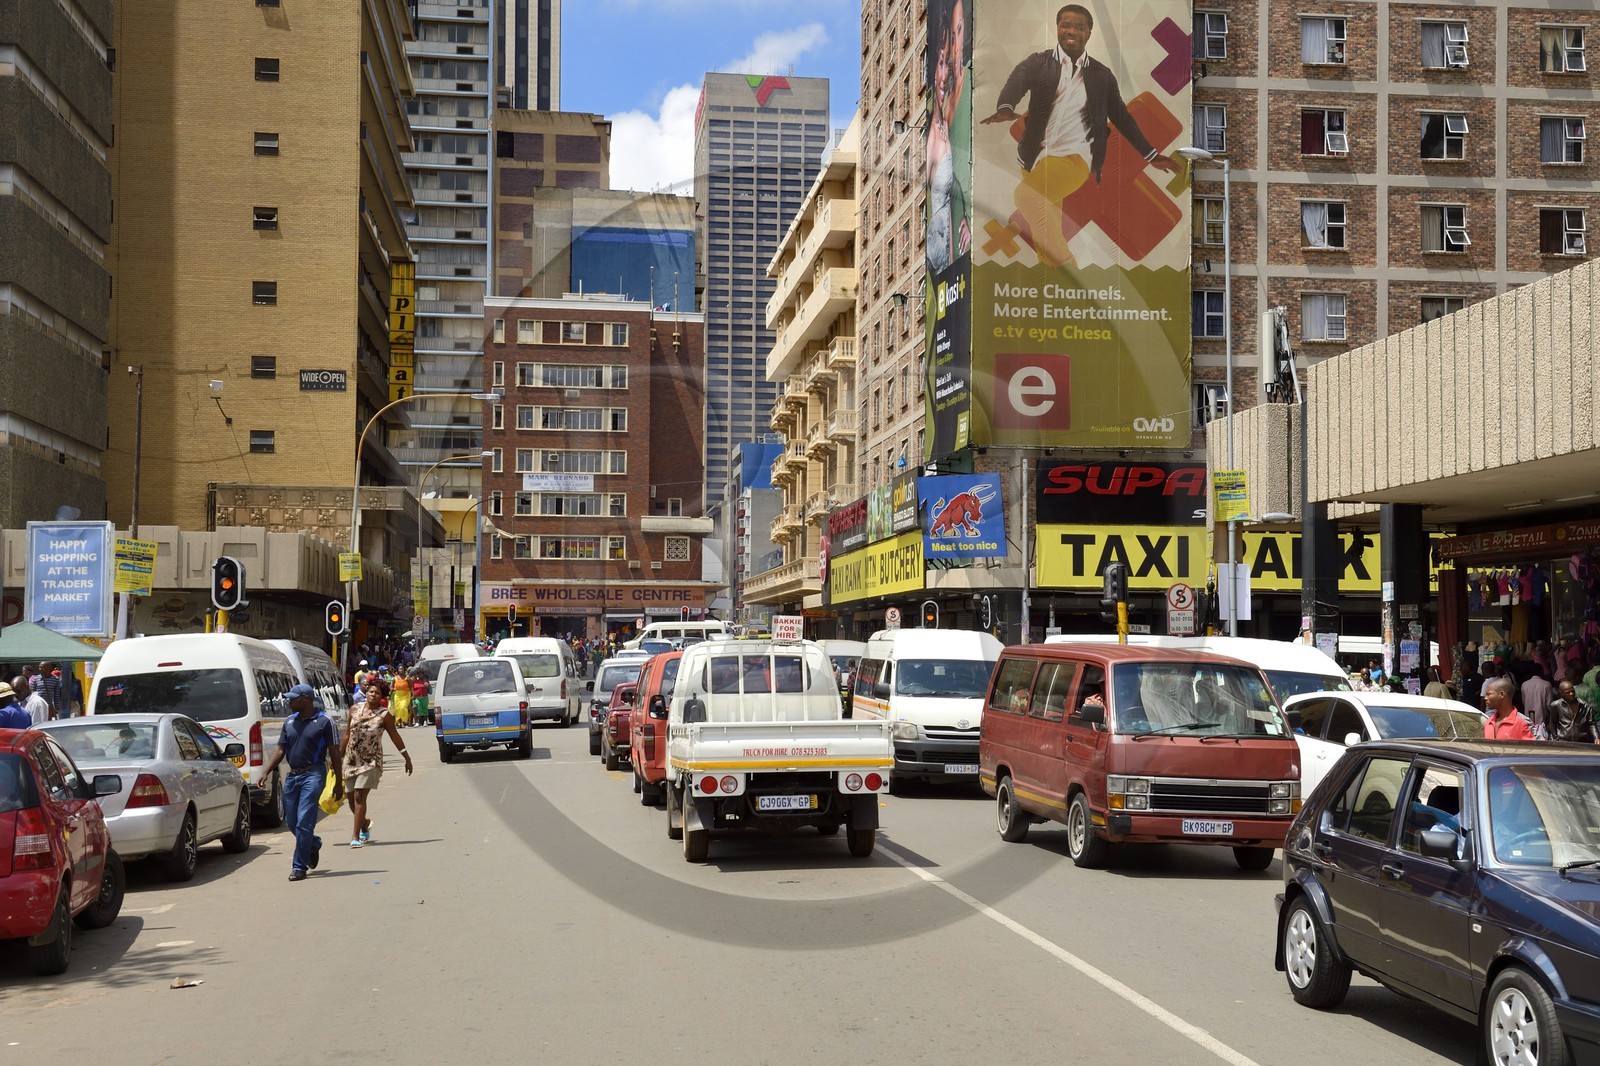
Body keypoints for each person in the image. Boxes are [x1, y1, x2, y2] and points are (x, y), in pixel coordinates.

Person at [981, 4, 1178, 269]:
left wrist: (1151, 155)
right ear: (1058, 28)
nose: (1070, 31)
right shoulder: (1040, 63)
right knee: (1045, 227)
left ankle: (1066, 270)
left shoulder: (1101, 75)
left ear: (1088, 32)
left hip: (1075, 158)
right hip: (1034, 159)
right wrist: (1006, 107)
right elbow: (1018, 80)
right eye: (1065, 25)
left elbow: (1122, 117)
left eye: (1078, 26)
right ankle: (1060, 286)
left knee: (1027, 197)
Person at [257, 684, 343, 881]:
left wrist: (338, 781)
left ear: (306, 698)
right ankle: (313, 844)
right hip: (293, 776)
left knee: (304, 822)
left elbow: (335, 752)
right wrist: (265, 772)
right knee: (292, 822)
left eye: (293, 698)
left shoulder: (325, 721)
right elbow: (280, 749)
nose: (289, 701)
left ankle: (299, 866)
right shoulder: (289, 722)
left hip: (314, 774)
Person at [342, 681, 412, 848]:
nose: (373, 695)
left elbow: (395, 736)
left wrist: (406, 757)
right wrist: (337, 757)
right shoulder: (354, 709)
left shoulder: (384, 715)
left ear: (382, 697)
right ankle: (364, 823)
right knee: (350, 798)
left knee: (359, 796)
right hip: (351, 759)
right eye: (371, 692)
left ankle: (355, 836)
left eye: (377, 693)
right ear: (366, 692)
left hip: (371, 761)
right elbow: (346, 735)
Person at [1548, 679, 1597, 744]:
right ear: (1561, 693)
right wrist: (1555, 738)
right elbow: (1552, 724)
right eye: (1567, 692)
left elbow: (1591, 723)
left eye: (1572, 691)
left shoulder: (1584, 705)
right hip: (1563, 741)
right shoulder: (1556, 705)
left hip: (1582, 741)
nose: (1571, 694)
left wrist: (1596, 738)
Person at [1521, 668, 1554, 739]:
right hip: (1542, 720)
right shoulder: (1547, 684)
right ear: (1541, 673)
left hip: (1527, 719)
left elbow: (1524, 702)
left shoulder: (1524, 684)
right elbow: (1549, 705)